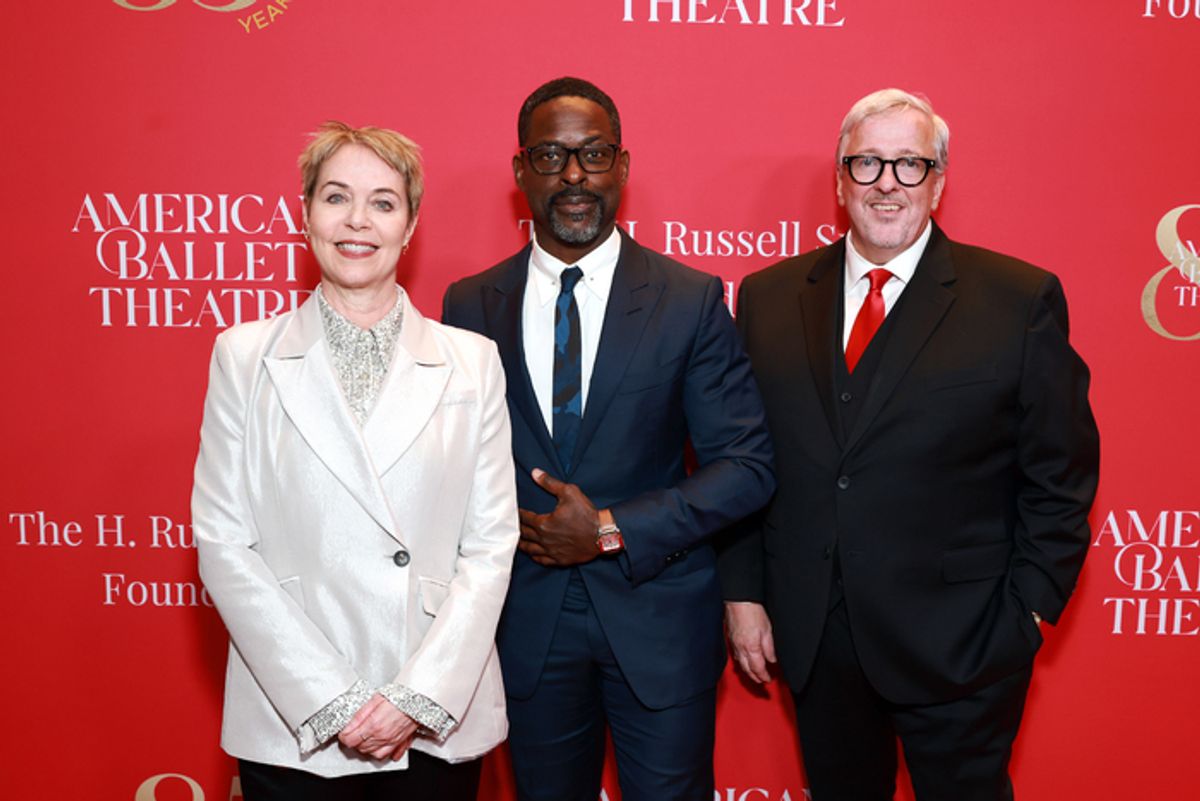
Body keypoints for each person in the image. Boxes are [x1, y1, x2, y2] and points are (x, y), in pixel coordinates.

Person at [719, 88, 1100, 801]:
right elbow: (744, 461)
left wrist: (1030, 612)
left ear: (939, 180)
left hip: (966, 643)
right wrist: (743, 592)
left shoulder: (1017, 300)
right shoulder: (769, 297)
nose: (886, 183)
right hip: (819, 639)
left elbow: (1062, 474)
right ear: (839, 180)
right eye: (866, 163)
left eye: (909, 163)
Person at [442, 76, 775, 801]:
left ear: (622, 166)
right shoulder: (469, 304)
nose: (573, 175)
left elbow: (747, 465)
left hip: (656, 620)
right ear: (520, 171)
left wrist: (608, 529)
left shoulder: (688, 299)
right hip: (525, 629)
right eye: (551, 154)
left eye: (592, 154)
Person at [192, 121, 519, 800]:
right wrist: (333, 698)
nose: (357, 221)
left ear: (411, 223)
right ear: (305, 211)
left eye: (383, 201)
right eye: (336, 197)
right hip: (293, 717)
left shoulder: (472, 362)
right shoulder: (244, 356)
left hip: (432, 714)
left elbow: (490, 546)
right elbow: (224, 541)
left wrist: (414, 697)